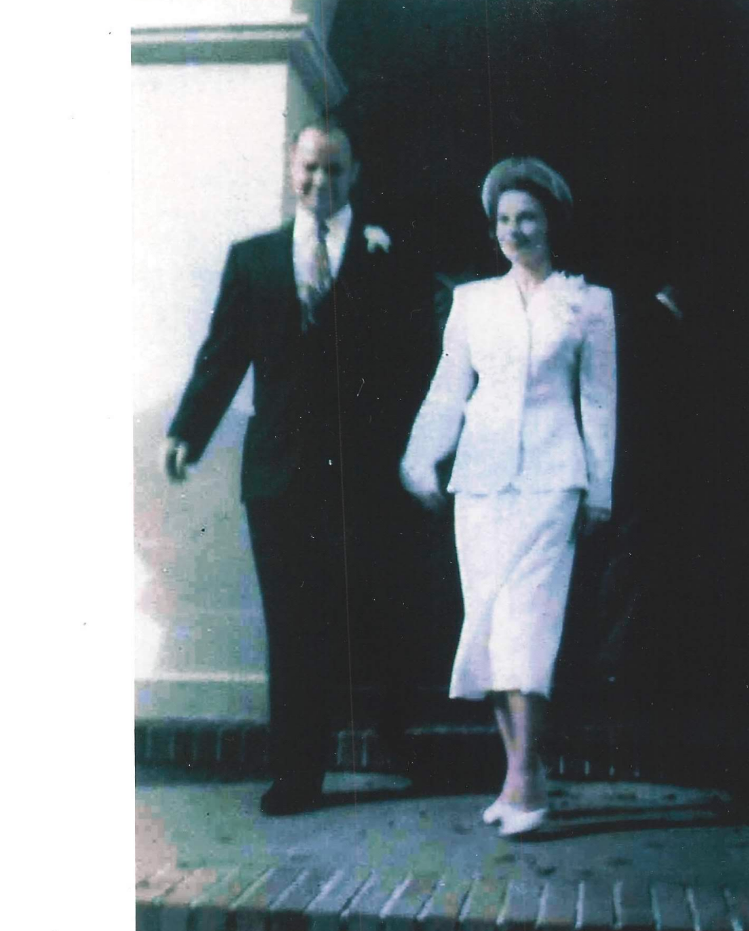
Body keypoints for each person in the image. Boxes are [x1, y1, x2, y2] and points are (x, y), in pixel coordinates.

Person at [163, 116, 429, 815]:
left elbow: (411, 363)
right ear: (291, 167)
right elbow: (223, 355)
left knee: (372, 611)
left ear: (355, 174)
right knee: (293, 623)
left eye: (335, 170)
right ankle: (297, 774)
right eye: (310, 168)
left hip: (363, 474)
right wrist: (187, 431)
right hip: (279, 474)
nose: (321, 181)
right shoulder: (252, 259)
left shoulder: (388, 256)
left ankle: (399, 741)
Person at [400, 157, 617, 836]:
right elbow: (446, 388)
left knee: (529, 623)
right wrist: (419, 458)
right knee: (489, 626)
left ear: (550, 221)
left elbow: (598, 399)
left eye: (527, 216)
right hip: (481, 482)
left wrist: (601, 487)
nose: (515, 229)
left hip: (554, 478)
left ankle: (524, 783)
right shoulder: (471, 302)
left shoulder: (588, 303)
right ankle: (520, 773)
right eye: (503, 219)